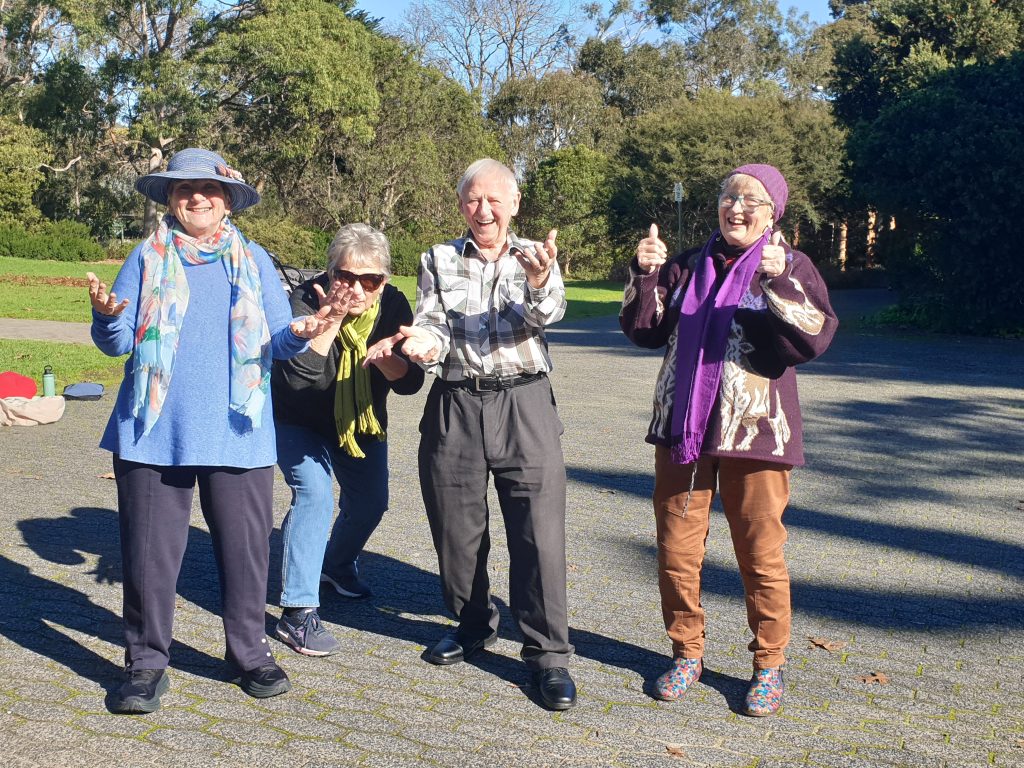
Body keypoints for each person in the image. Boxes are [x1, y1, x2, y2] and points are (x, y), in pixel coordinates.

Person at [87, 147, 348, 715]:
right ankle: (146, 665)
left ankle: (249, 653)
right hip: (154, 431)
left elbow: (279, 341)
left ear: (227, 199)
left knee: (247, 554)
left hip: (239, 430)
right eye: (183, 190)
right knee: (149, 557)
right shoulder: (146, 257)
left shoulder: (253, 261)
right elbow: (119, 341)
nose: (196, 197)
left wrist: (305, 329)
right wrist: (107, 316)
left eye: (208, 188)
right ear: (171, 200)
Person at [620, 164, 837, 716]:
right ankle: (686, 653)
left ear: (773, 214)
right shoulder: (689, 264)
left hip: (757, 434)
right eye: (728, 196)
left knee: (760, 555)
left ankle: (768, 665)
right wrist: (646, 275)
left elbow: (811, 337)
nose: (736, 207)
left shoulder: (791, 264)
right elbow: (645, 329)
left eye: (751, 200)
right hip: (683, 432)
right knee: (676, 550)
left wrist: (776, 280)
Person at [367, 158, 576, 710]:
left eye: (493, 200)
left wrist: (537, 278)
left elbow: (549, 312)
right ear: (461, 205)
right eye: (471, 200)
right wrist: (422, 346)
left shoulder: (537, 256)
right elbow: (434, 324)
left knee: (537, 534)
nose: (482, 210)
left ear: (514, 204)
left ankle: (548, 655)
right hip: (456, 402)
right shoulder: (437, 257)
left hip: (524, 401)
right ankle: (473, 623)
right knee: (455, 530)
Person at [271, 223, 424, 656]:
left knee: (371, 502)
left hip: (359, 420)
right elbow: (300, 379)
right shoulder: (306, 299)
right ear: (329, 272)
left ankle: (336, 565)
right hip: (297, 418)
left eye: (369, 279)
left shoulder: (393, 306)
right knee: (315, 495)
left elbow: (410, 384)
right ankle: (298, 613)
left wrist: (389, 361)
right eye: (345, 276)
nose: (355, 288)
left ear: (385, 281)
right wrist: (330, 322)